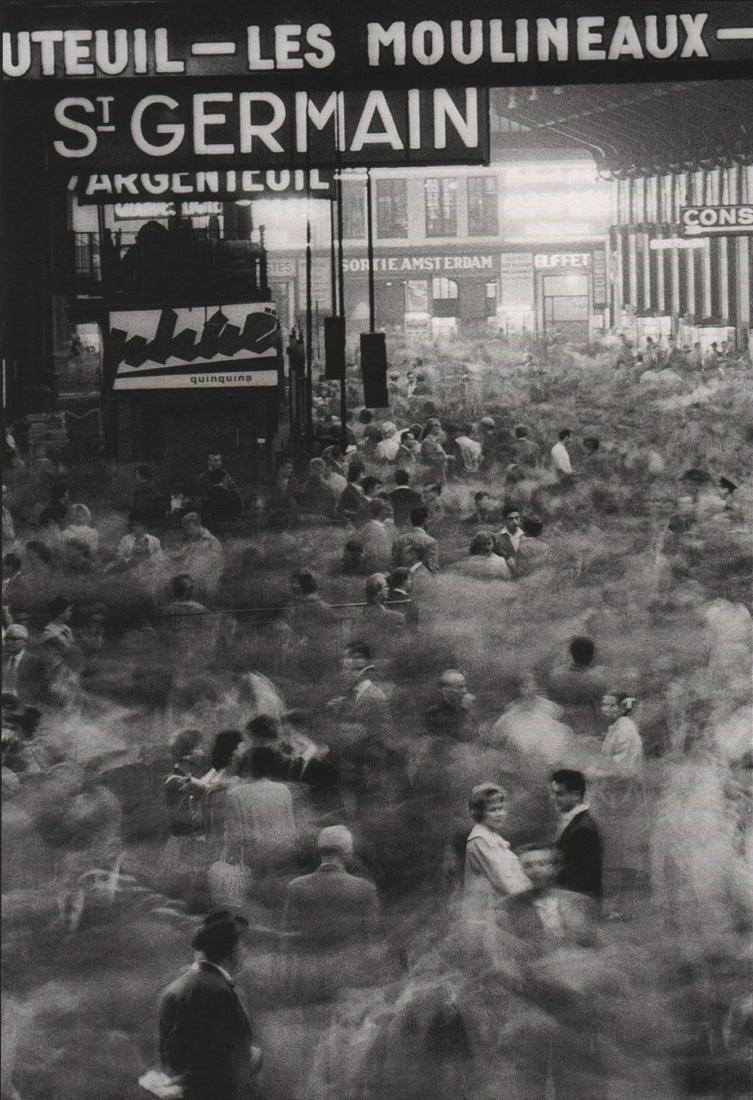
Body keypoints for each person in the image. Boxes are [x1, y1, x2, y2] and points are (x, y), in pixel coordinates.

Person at [158, 911, 261, 1100]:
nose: (246, 952)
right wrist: (249, 1057)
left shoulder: (172, 990)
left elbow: (173, 1058)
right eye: (243, 944)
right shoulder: (219, 992)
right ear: (232, 949)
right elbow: (226, 1066)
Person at [282, 824, 383, 1002]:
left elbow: (288, 943)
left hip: (309, 984)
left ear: (320, 851)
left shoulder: (296, 887)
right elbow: (371, 940)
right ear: (346, 854)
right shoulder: (364, 889)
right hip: (351, 985)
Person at [462, 784, 531, 953]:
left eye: (501, 808)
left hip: (505, 909)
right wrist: (530, 897)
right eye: (493, 810)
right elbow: (503, 882)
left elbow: (516, 874)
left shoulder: (494, 838)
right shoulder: (480, 841)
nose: (500, 814)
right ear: (480, 813)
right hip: (489, 914)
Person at [223, 744, 298, 886]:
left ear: (248, 766)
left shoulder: (236, 795)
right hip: (282, 856)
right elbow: (291, 826)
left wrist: (230, 860)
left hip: (254, 859)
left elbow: (234, 836)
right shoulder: (283, 790)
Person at [550, 769, 603, 905]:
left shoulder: (583, 829)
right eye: (553, 793)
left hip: (579, 902)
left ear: (576, 795)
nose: (553, 798)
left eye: (559, 794)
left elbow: (577, 876)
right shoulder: (576, 822)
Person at [325, 641, 393, 739]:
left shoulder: (376, 695)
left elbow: (384, 735)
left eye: (353, 657)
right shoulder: (349, 695)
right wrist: (334, 712)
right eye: (345, 657)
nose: (345, 662)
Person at [178, 512, 224, 600]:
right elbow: (188, 561)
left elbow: (216, 565)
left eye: (188, 529)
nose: (187, 532)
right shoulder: (193, 541)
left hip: (208, 585)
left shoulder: (212, 542)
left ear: (194, 525)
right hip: (194, 585)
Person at [424, 670, 477, 742]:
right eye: (460, 687)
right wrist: (464, 713)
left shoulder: (467, 709)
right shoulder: (433, 713)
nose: (465, 691)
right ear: (446, 691)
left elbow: (475, 737)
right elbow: (455, 741)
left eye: (465, 686)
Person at [2, 624, 49, 704]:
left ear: (24, 642)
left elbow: (42, 689)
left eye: (14, 639)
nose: (8, 642)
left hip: (23, 706)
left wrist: (18, 696)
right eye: (6, 639)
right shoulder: (2, 659)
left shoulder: (35, 662)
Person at [391, 506, 439, 573]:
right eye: (430, 520)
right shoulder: (431, 542)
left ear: (411, 520)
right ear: (425, 521)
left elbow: (393, 567)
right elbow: (433, 568)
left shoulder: (398, 540)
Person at [360, 498, 393, 573]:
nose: (389, 513)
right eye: (386, 510)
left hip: (371, 566)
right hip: (382, 567)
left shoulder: (364, 527)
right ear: (382, 512)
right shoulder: (388, 529)